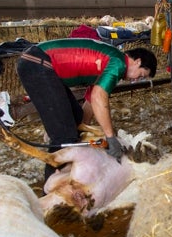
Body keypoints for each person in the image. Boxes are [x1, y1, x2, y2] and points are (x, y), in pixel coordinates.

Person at [16, 38, 157, 179]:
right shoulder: (119, 63)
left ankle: (68, 165)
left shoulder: (111, 60)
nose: (136, 80)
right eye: (141, 75)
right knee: (64, 134)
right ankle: (51, 186)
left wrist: (84, 130)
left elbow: (91, 99)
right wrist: (110, 137)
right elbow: (98, 96)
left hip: (38, 62)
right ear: (137, 62)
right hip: (37, 63)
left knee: (76, 118)